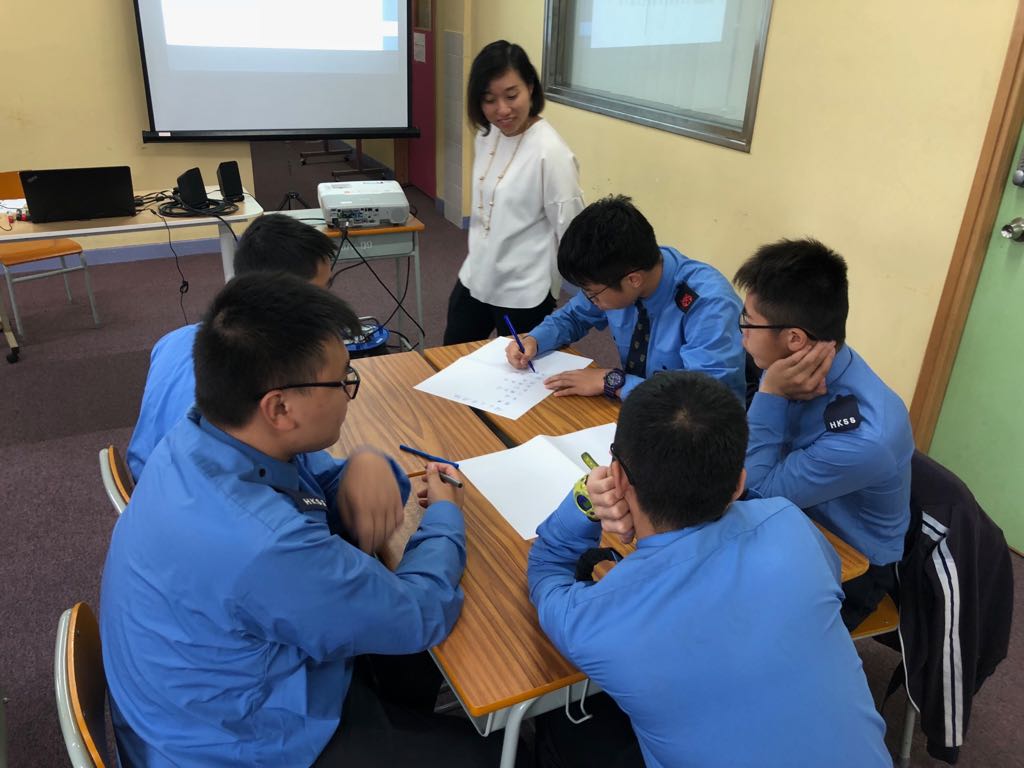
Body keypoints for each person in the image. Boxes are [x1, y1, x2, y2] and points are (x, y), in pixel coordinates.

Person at [101, 273, 495, 766]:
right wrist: (445, 514)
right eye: (343, 380)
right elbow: (422, 613)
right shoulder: (264, 544)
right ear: (280, 407)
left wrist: (367, 464)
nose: (349, 392)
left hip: (192, 700)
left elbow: (319, 484)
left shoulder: (203, 435)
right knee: (496, 752)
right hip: (237, 744)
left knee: (406, 665)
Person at [527, 372, 891, 768]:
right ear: (738, 484)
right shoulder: (790, 522)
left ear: (616, 476)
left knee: (565, 728)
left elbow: (546, 567)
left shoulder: (595, 621)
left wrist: (585, 498)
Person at [733, 237, 914, 629]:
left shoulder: (866, 437)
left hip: (851, 563)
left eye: (748, 321)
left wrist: (770, 394)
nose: (742, 332)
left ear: (794, 338)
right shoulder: (799, 360)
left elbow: (754, 493)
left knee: (730, 624)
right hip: (794, 514)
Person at [126, 212, 338, 481]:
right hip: (194, 485)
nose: (329, 308)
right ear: (284, 296)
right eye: (321, 295)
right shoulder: (248, 385)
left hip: (151, 475)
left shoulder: (173, 339)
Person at [506, 196, 745, 402]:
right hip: (637, 407)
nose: (590, 299)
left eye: (592, 293)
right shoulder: (619, 271)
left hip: (692, 426)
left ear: (633, 280)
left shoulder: (709, 305)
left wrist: (613, 381)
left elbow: (704, 398)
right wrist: (535, 340)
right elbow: (573, 317)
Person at [443, 40, 584, 345]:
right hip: (477, 275)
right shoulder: (487, 135)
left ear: (530, 88)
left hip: (524, 291)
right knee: (452, 357)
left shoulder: (551, 153)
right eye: (489, 99)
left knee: (521, 368)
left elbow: (572, 230)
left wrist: (575, 291)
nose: (502, 110)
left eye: (511, 95)